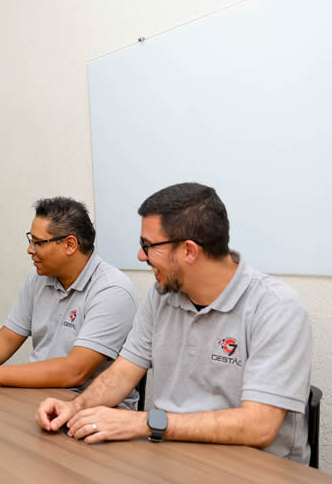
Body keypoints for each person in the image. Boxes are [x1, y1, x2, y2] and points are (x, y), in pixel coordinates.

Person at [36, 183, 312, 464]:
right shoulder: (162, 296)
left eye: (148, 246)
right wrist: (76, 407)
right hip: (175, 457)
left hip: (258, 473)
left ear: (189, 251)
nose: (141, 256)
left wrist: (145, 423)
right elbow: (122, 374)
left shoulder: (276, 307)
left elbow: (259, 427)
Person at [0, 197, 138, 408]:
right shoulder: (39, 277)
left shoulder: (112, 290)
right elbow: (9, 337)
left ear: (70, 244)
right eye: (31, 240)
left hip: (91, 407)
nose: (30, 250)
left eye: (38, 243)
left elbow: (76, 371)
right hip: (37, 395)